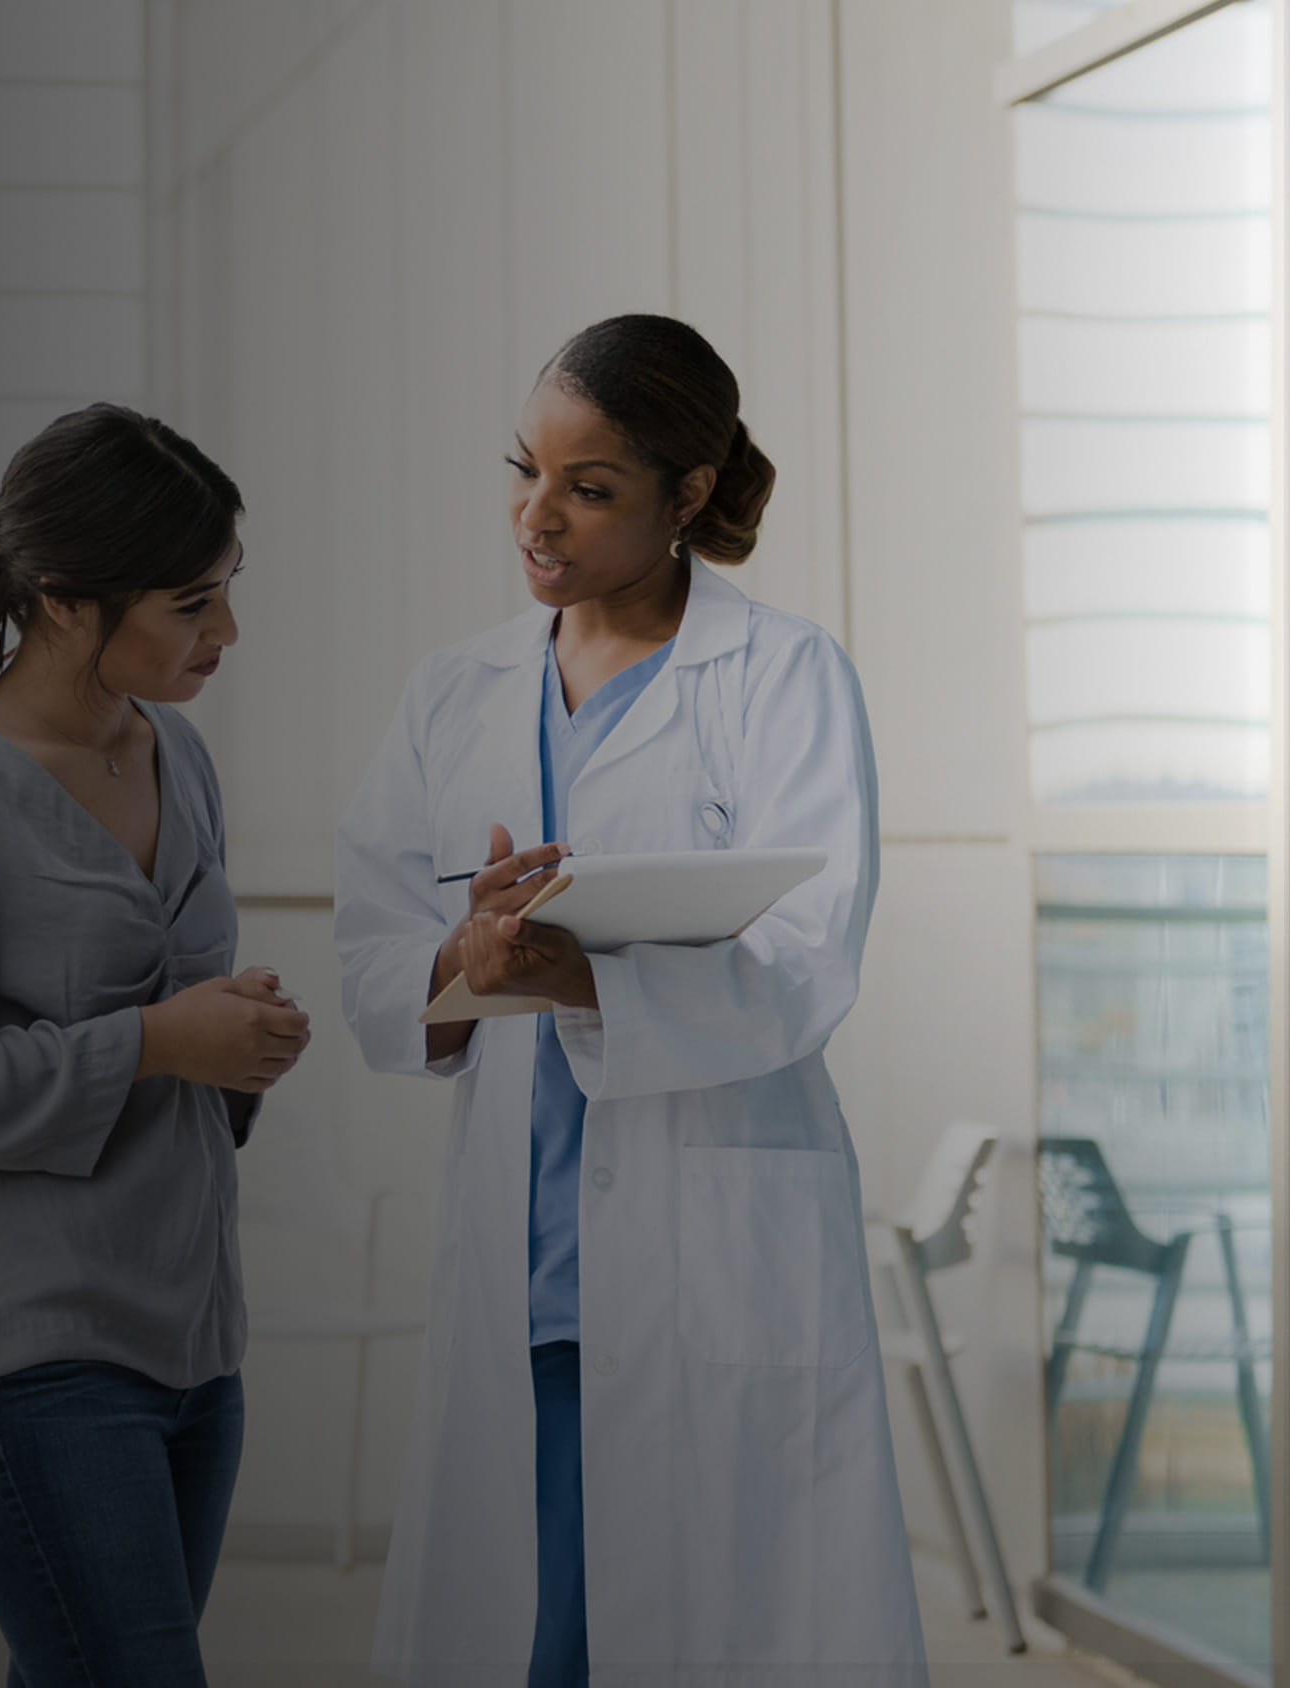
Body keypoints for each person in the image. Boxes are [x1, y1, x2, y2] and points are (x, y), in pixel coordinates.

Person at [332, 315, 925, 1688]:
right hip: (527, 1264)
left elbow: (810, 957)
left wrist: (584, 976)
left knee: (719, 1627)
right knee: (531, 1636)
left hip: (710, 1252)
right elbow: (374, 954)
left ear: (688, 494)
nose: (537, 516)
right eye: (525, 470)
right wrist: (468, 956)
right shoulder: (457, 692)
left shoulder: (782, 677)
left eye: (589, 488)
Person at [0, 402, 310, 1688]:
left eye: (228, 589)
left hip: (195, 1345)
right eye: (191, 602)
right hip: (28, 1355)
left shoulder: (178, 754)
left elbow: (180, 1034)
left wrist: (238, 1039)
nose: (226, 631)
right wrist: (154, 1041)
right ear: (63, 601)